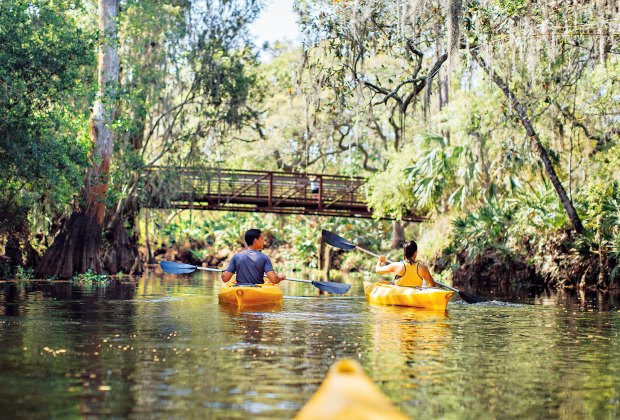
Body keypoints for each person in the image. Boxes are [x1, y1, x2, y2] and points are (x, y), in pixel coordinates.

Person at [221, 228, 286, 285]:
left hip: (240, 289)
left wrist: (223, 273)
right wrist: (280, 277)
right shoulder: (264, 258)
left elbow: (225, 279)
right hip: (257, 292)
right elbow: (274, 280)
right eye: (262, 239)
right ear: (255, 241)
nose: (264, 242)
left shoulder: (236, 256)